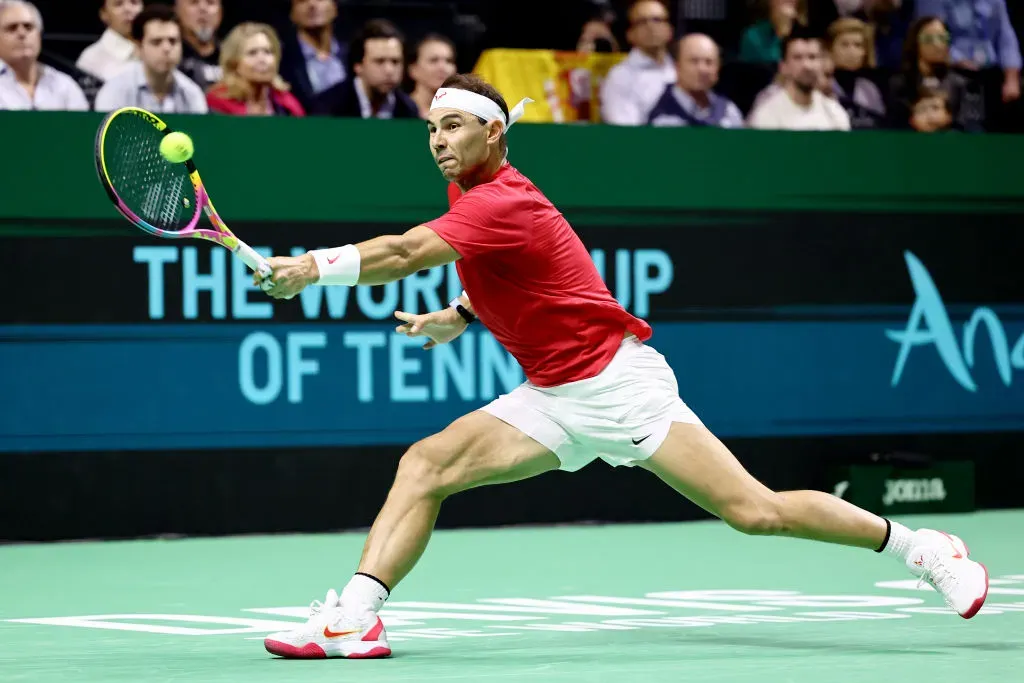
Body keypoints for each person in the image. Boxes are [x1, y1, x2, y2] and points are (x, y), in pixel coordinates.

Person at [253, 72, 989, 660]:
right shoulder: (471, 192)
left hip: (619, 385)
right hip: (552, 395)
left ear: (493, 132)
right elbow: (518, 272)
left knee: (753, 511)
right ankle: (355, 617)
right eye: (431, 129)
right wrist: (463, 314)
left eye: (452, 127)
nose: (437, 142)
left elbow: (409, 251)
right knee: (427, 464)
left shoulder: (504, 198)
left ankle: (923, 548)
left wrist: (312, 267)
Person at [93, 3, 208, 114]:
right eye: (156, 42)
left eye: (173, 41)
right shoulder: (115, 91)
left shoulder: (192, 93)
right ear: (139, 47)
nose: (167, 48)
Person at [206, 23, 304, 117]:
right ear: (234, 62)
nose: (262, 60)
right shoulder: (217, 102)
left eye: (268, 52)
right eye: (252, 53)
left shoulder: (288, 104)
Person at [76, 0, 143, 82]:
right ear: (104, 14)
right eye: (118, 4)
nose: (128, 9)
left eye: (134, 2)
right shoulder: (91, 59)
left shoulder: (159, 47)